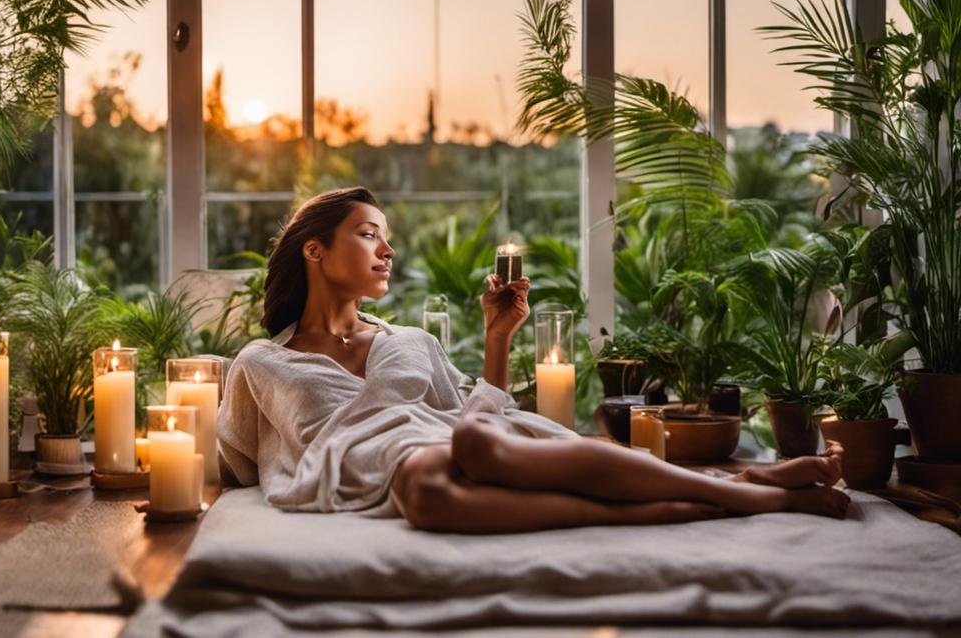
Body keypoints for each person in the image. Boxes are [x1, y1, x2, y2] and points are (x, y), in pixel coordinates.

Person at [217, 187, 850, 533]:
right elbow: (238, 465)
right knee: (428, 495)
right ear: (314, 250)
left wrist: (498, 339)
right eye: (367, 233)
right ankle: (717, 496)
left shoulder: (410, 341)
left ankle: (737, 491)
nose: (387, 249)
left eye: (387, 236)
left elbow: (481, 414)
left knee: (475, 443)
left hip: (447, 441)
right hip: (371, 475)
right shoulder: (260, 362)